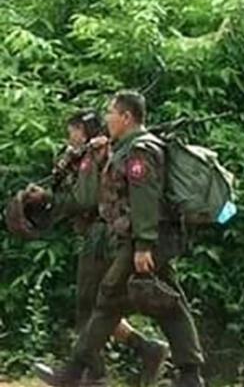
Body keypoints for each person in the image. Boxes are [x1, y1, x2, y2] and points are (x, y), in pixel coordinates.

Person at [35, 91, 205, 387]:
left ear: (127, 117)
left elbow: (144, 198)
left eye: (111, 113)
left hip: (145, 239)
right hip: (143, 238)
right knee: (169, 303)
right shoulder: (124, 148)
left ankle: (74, 372)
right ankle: (190, 375)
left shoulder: (140, 150)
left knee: (108, 298)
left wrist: (143, 245)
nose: (107, 119)